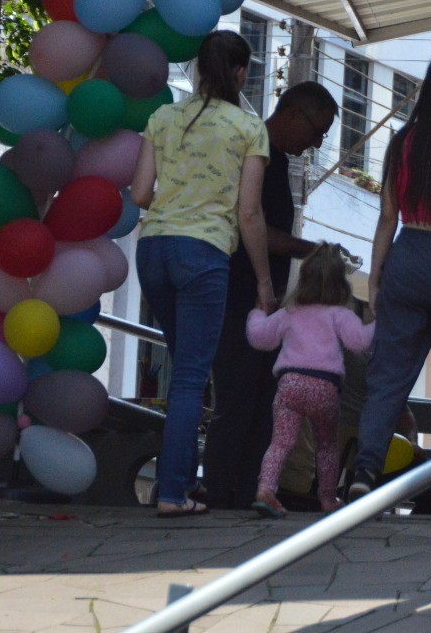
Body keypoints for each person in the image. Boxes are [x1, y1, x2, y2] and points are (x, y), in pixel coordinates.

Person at [130, 30, 273, 518]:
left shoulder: (162, 117)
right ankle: (172, 492)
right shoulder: (248, 128)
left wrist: (176, 197)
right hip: (204, 252)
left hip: (153, 250)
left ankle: (175, 485)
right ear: (239, 73)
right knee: (192, 378)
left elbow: (140, 194)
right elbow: (249, 213)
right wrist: (265, 284)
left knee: (182, 369)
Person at [200, 81, 339, 510]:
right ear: (293, 114)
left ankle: (248, 491)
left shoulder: (276, 161)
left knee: (265, 400)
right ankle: (220, 489)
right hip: (240, 294)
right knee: (238, 398)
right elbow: (252, 226)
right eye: (317, 132)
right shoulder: (254, 153)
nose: (316, 144)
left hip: (265, 299)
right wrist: (309, 249)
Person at [349, 51, 431, 500]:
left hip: (407, 253)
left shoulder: (404, 140)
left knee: (388, 378)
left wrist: (376, 278)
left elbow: (387, 217)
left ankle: (365, 471)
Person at [246, 243, 376, 517]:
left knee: (280, 442)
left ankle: (265, 489)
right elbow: (360, 342)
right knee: (326, 445)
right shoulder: (341, 315)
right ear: (342, 283)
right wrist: (378, 320)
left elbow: (260, 338)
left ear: (303, 279)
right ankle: (328, 500)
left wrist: (258, 312)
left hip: (289, 385)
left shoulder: (290, 312)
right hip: (324, 388)